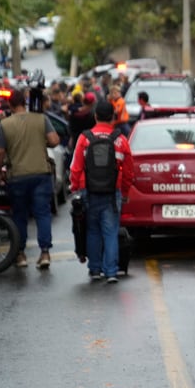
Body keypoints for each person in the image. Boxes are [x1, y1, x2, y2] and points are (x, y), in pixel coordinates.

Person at [0, 90, 60, 268]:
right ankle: (45, 253)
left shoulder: (4, 124)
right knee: (43, 213)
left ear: (10, 105)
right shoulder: (41, 119)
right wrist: (41, 142)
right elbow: (54, 140)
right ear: (25, 102)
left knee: (19, 215)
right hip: (40, 173)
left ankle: (20, 255)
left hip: (17, 176)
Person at [69, 100, 135, 283]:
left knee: (92, 231)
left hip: (88, 191)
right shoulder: (120, 140)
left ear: (95, 116)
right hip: (112, 193)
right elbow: (129, 170)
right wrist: (125, 191)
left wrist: (75, 187)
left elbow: (75, 168)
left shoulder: (85, 138)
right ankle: (111, 272)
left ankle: (95, 269)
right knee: (110, 232)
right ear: (113, 117)